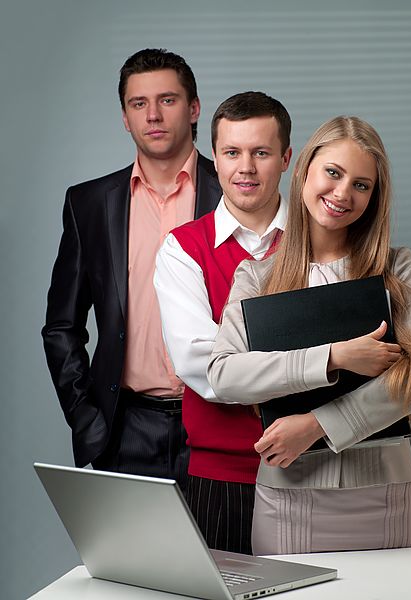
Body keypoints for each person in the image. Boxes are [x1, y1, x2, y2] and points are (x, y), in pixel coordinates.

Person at [207, 115, 411, 554]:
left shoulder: (397, 269)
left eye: (361, 185)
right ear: (303, 171)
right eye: (333, 173)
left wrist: (316, 425)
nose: (342, 194)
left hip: (385, 495)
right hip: (287, 496)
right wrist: (332, 357)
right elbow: (223, 375)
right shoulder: (256, 277)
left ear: (374, 198)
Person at [41, 48, 221, 490]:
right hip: (125, 428)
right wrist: (88, 419)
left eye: (168, 100)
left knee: (228, 558)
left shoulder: (232, 194)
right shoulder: (89, 204)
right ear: (125, 117)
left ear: (195, 107)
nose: (153, 116)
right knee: (135, 562)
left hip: (219, 421)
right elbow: (61, 326)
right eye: (139, 104)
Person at [154, 91, 292, 554]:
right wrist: (309, 369)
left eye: (261, 152)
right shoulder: (182, 249)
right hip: (222, 476)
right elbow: (204, 365)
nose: (246, 167)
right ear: (216, 158)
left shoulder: (324, 241)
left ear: (287, 158)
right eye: (232, 152)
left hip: (319, 472)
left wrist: (249, 369)